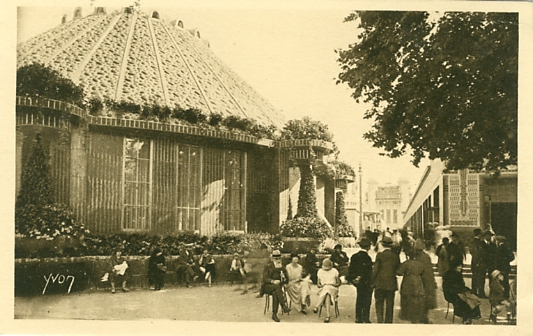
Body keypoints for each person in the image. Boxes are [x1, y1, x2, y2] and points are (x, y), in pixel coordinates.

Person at [442, 259, 482, 324]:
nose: (460, 267)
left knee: (473, 299)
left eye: (461, 266)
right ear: (454, 266)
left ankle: (470, 316)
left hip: (459, 291)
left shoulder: (458, 274)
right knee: (463, 301)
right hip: (451, 293)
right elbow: (449, 287)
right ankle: (465, 317)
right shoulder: (448, 274)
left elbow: (461, 285)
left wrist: (467, 290)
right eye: (458, 266)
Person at [372, 236, 400, 323]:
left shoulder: (380, 255)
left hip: (380, 282)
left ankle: (380, 321)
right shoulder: (396, 256)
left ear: (383, 245)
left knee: (379, 303)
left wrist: (372, 281)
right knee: (390, 304)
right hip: (391, 283)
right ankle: (388, 322)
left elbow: (375, 269)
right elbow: (398, 270)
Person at [396, 251, 429, 324]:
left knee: (407, 298)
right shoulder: (421, 264)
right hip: (418, 282)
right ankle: (416, 316)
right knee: (417, 299)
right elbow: (424, 273)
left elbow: (399, 272)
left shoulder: (406, 263)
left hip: (408, 282)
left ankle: (407, 315)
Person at [347, 237, 373, 323]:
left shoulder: (354, 256)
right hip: (366, 282)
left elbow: (351, 269)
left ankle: (358, 317)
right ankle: (366, 317)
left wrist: (354, 279)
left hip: (358, 282)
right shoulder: (368, 258)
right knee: (367, 300)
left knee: (359, 298)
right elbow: (368, 272)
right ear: (368, 247)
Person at [261, 250, 291, 322]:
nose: (277, 259)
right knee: (277, 287)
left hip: (277, 289)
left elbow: (286, 280)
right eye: (276, 258)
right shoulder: (268, 266)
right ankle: (283, 305)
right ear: (272, 258)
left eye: (279, 258)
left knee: (276, 292)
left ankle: (274, 314)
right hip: (268, 287)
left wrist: (283, 278)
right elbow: (264, 278)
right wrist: (273, 281)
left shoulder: (282, 268)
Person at [412, 238, 437, 323]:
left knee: (416, 300)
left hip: (415, 282)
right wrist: (432, 282)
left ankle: (416, 318)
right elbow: (429, 271)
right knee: (425, 301)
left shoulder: (413, 256)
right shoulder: (426, 257)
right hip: (425, 282)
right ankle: (423, 317)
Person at [313, 258, 341, 323]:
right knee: (327, 294)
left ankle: (317, 306)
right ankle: (328, 316)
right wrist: (323, 285)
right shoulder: (320, 271)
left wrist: (331, 284)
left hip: (333, 289)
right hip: (323, 289)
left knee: (327, 288)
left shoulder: (334, 271)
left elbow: (338, 283)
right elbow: (318, 285)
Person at [470, 228, 488, 298]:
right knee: (480, 278)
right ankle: (480, 292)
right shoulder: (478, 242)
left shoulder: (474, 242)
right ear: (479, 234)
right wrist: (478, 262)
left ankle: (475, 292)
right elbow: (476, 253)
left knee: (476, 277)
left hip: (476, 263)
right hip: (479, 263)